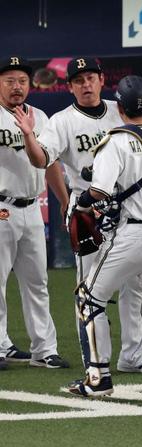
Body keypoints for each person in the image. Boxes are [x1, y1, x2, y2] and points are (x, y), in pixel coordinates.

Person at [16, 57, 142, 374]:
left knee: (134, 284)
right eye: (79, 80)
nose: (86, 84)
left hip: (128, 208)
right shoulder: (62, 121)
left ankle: (133, 355)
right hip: (88, 212)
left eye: (91, 77)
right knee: (92, 289)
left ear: (102, 80)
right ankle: (96, 358)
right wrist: (28, 137)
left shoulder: (121, 110)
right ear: (70, 86)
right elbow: (42, 161)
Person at [65, 75, 142, 403]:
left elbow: (98, 192)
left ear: (120, 107)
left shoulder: (114, 140)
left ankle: (98, 377)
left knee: (89, 298)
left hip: (133, 233)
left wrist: (81, 204)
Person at [0, 56, 69, 370]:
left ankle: (44, 349)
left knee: (37, 281)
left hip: (31, 210)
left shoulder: (40, 117)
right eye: (10, 80)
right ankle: (1, 346)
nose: (17, 86)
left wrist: (64, 199)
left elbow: (50, 162)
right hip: (1, 206)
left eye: (22, 81)